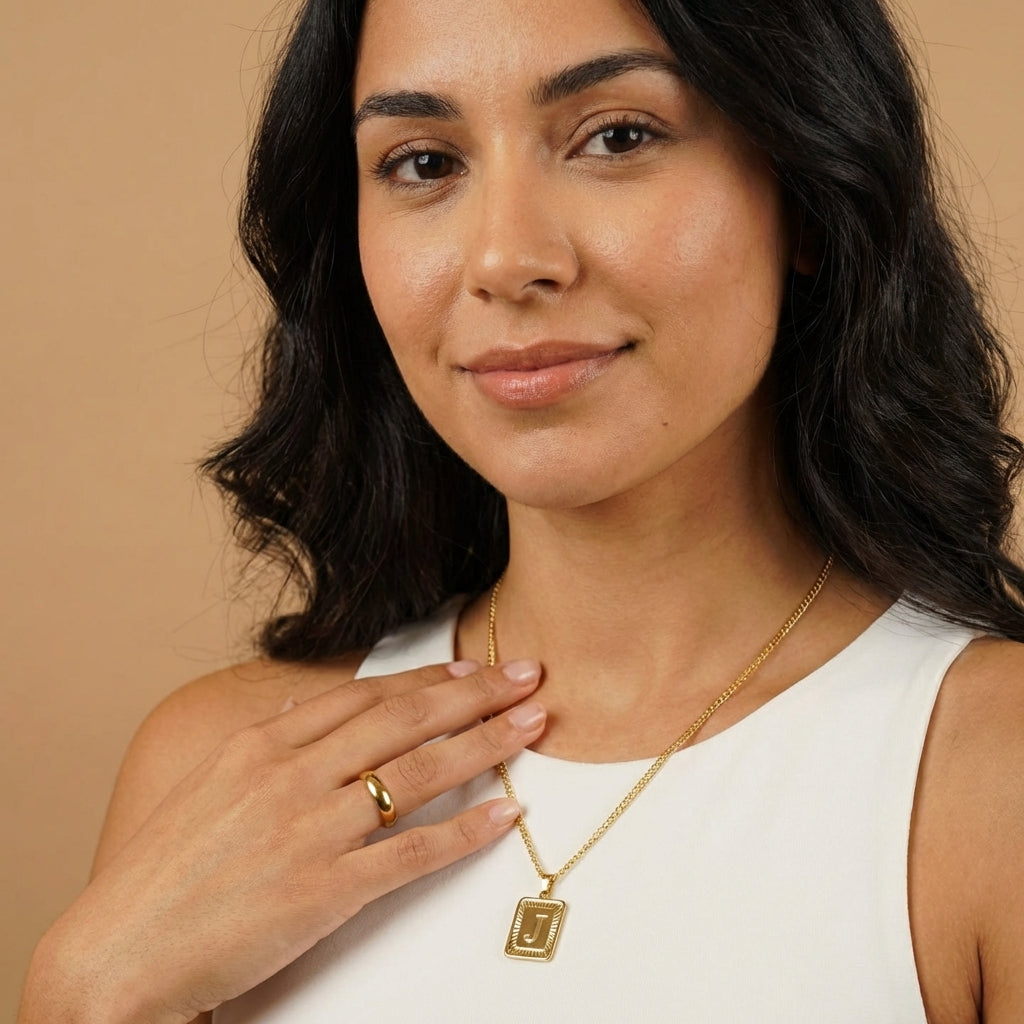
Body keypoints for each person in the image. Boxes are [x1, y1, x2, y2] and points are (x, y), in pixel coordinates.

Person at [18, 0, 1024, 1020]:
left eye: (617, 137)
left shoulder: (992, 773)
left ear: (808, 187)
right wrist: (81, 991)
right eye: (422, 163)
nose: (505, 258)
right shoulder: (217, 766)